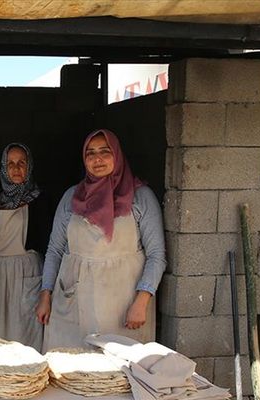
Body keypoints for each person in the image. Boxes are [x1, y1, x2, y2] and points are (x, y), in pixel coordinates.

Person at [36, 128, 166, 352]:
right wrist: (45, 294)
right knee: (70, 369)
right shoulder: (71, 197)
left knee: (117, 372)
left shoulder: (141, 198)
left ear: (117, 154)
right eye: (90, 153)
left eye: (105, 152)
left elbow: (157, 255)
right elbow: (54, 250)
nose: (97, 159)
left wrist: (142, 301)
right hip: (73, 302)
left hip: (123, 305)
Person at [0, 143, 51, 351]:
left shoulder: (39, 200)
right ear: (3, 168)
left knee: (24, 335)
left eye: (21, 163)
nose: (16, 168)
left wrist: (47, 291)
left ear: (29, 167)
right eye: (10, 164)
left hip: (27, 272)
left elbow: (50, 248)